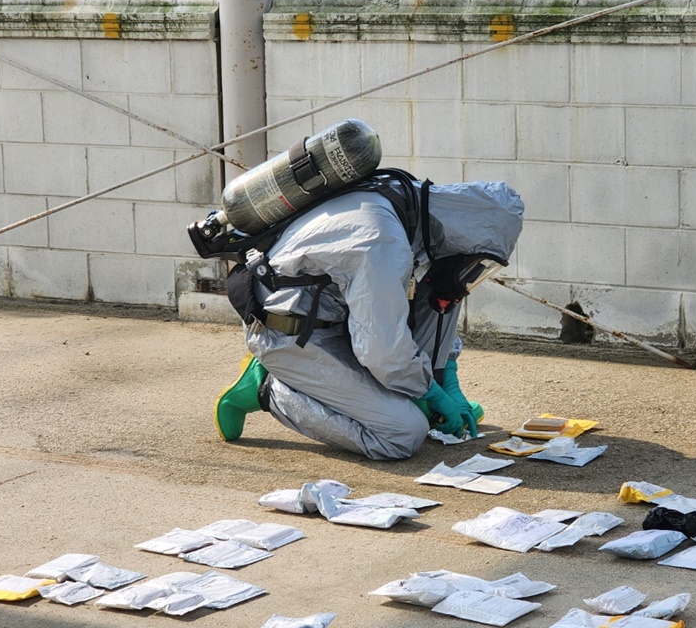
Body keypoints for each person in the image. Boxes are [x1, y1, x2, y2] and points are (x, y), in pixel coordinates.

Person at [213, 174, 524, 461]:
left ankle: (418, 397)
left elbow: (435, 302)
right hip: (290, 334)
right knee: (403, 433)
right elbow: (382, 350)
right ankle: (266, 388)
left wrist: (446, 377)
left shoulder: (410, 203)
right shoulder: (381, 241)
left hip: (338, 318)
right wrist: (430, 392)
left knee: (441, 287)